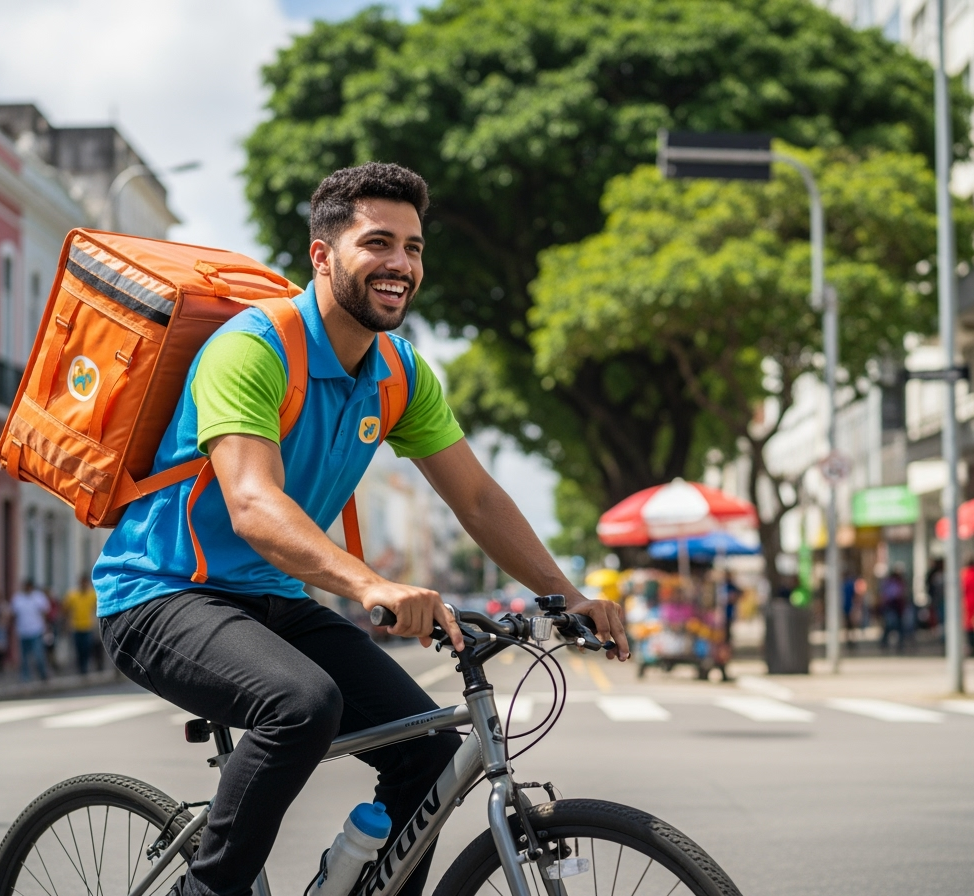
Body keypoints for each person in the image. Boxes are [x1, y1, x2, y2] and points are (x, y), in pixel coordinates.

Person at [94, 163, 627, 896]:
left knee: (432, 754)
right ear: (322, 256)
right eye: (379, 243)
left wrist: (565, 595)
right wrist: (372, 584)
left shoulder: (398, 372)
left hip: (272, 604)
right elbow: (252, 503)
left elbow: (475, 497)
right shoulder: (253, 349)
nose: (401, 265)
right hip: (161, 596)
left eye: (413, 247)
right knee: (301, 703)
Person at [11, 579, 51, 682]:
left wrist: (46, 626)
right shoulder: (18, 599)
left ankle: (43, 674)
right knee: (24, 657)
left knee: (38, 655)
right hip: (23, 631)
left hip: (36, 630)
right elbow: (14, 614)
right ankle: (25, 677)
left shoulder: (38, 597)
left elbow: (45, 612)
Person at [61, 574, 98, 675]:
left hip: (88, 626)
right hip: (76, 626)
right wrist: (66, 622)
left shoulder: (92, 594)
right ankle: (81, 668)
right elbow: (65, 609)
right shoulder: (72, 595)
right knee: (78, 649)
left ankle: (85, 667)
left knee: (86, 648)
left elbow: (97, 607)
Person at [879, 567, 908, 652]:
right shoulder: (892, 583)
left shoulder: (894, 583)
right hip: (892, 606)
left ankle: (899, 643)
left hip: (896, 607)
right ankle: (886, 642)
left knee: (897, 626)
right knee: (890, 626)